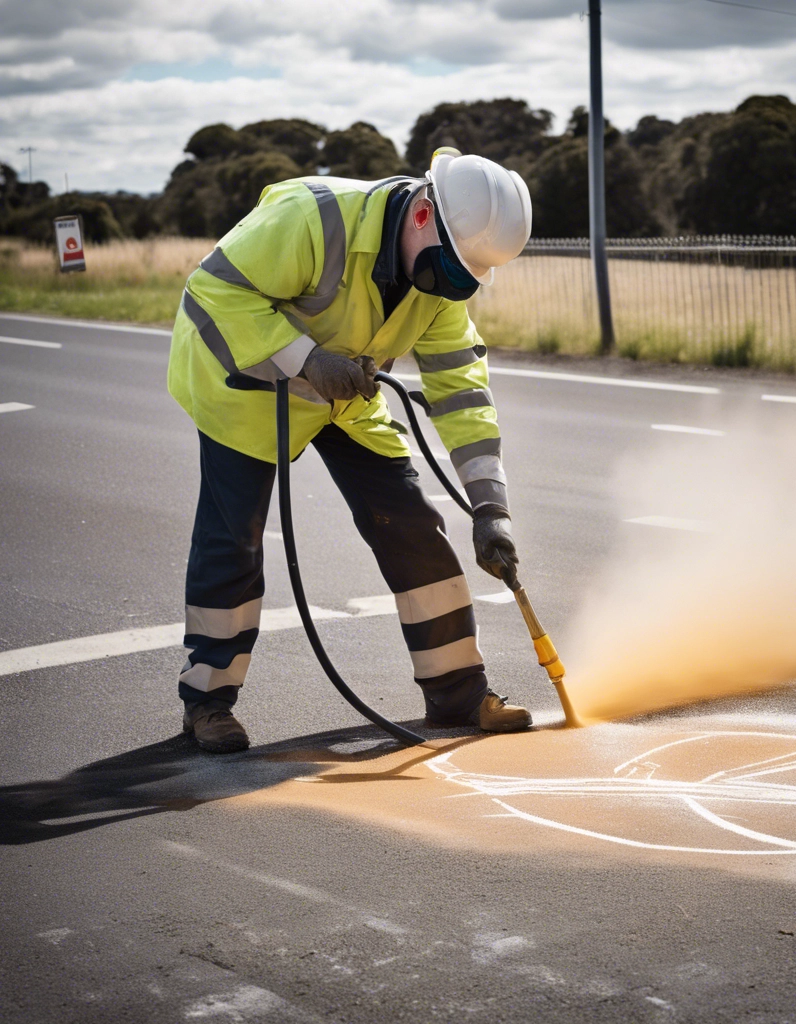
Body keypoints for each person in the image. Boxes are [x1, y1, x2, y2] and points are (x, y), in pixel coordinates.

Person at [167, 148, 534, 753]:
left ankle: (457, 693)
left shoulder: (441, 284)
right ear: (422, 216)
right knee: (233, 537)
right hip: (246, 384)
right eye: (452, 269)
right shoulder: (313, 219)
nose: (453, 286)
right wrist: (306, 361)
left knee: (412, 522)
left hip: (348, 395)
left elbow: (461, 392)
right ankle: (207, 701)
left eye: (469, 279)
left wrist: (491, 507)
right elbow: (214, 292)